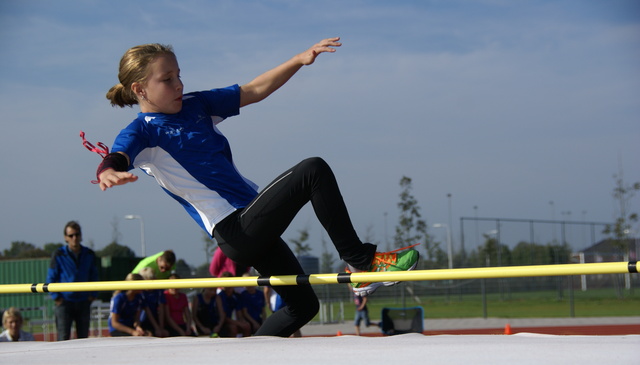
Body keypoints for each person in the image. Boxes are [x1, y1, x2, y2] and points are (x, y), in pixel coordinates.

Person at [91, 38, 419, 338]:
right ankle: (360, 262)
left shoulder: (196, 105)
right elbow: (118, 155)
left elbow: (253, 89)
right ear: (139, 90)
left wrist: (297, 60)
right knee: (312, 171)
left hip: (253, 220)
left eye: (179, 75)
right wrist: (108, 171)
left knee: (303, 306)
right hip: (235, 229)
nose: (178, 85)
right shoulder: (143, 133)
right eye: (167, 80)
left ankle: (250, 358)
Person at [46, 221, 99, 340]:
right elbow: (51, 277)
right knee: (63, 338)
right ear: (65, 238)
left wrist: (93, 295)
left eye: (77, 234)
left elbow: (94, 275)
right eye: (71, 235)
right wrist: (56, 297)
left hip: (83, 301)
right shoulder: (58, 254)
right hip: (65, 302)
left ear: (81, 236)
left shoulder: (89, 254)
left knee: (83, 339)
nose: (74, 238)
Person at [136, 268, 169, 337]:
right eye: (151, 279)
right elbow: (147, 312)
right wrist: (157, 328)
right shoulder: (141, 293)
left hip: (155, 319)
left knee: (165, 333)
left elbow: (161, 310)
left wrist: (161, 327)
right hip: (144, 321)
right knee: (150, 335)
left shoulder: (158, 291)